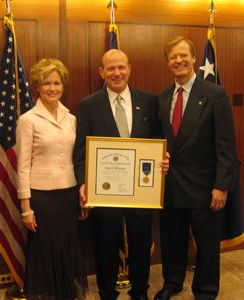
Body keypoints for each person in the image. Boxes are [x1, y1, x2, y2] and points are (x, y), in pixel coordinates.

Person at [74, 49, 169, 300]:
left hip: (141, 190)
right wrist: (83, 183)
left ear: (130, 68)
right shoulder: (87, 105)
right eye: (111, 68)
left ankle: (140, 292)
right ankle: (107, 293)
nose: (117, 73)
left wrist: (164, 158)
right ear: (101, 72)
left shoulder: (149, 101)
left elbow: (158, 140)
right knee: (105, 245)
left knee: (140, 245)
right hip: (104, 190)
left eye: (121, 67)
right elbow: (81, 150)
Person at [154, 36, 236, 300]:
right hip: (171, 186)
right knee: (172, 240)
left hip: (205, 186)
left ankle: (206, 290)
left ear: (193, 59)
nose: (178, 61)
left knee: (207, 245)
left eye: (182, 55)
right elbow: (163, 141)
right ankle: (172, 283)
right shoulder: (164, 97)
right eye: (172, 57)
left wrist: (221, 186)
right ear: (168, 63)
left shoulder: (214, 95)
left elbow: (225, 145)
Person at [16, 58, 87, 300]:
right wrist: (26, 208)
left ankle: (66, 293)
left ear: (63, 85)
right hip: (41, 196)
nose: (52, 88)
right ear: (37, 86)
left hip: (68, 193)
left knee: (68, 245)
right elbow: (23, 166)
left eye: (57, 83)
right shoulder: (28, 120)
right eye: (47, 83)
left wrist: (81, 194)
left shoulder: (71, 118)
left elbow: (76, 159)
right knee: (45, 249)